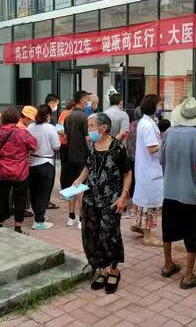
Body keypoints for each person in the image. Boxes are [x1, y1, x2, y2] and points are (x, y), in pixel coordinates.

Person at [73, 113, 131, 294]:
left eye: (91, 125)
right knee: (92, 235)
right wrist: (79, 179)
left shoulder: (117, 148)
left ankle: (114, 270)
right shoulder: (91, 145)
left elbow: (127, 173)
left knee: (110, 236)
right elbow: (88, 166)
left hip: (111, 200)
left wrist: (123, 197)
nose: (89, 129)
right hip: (90, 199)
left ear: (103, 127)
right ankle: (102, 269)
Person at [160, 98, 196, 289]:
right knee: (192, 233)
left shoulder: (168, 133)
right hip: (190, 193)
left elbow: (161, 160)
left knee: (168, 229)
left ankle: (168, 265)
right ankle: (188, 276)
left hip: (169, 190)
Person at [0, 107, 37, 234]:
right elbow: (34, 146)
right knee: (20, 199)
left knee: (1, 198)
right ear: (17, 118)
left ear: (3, 118)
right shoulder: (23, 133)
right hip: (20, 172)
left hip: (1, 171)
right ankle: (18, 227)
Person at [132, 94, 164, 247]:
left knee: (144, 201)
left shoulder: (146, 122)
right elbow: (152, 149)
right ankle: (148, 237)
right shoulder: (148, 125)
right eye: (159, 104)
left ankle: (141, 226)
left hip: (146, 169)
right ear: (153, 106)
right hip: (150, 170)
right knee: (149, 204)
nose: (161, 107)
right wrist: (165, 141)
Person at [28, 105, 60, 230]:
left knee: (34, 192)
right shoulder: (50, 128)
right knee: (44, 193)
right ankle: (39, 220)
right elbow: (56, 146)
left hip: (32, 162)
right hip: (46, 163)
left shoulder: (30, 127)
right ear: (48, 115)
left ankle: (38, 215)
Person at [63, 91, 90, 229]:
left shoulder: (68, 116)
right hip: (82, 156)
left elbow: (66, 136)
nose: (88, 102)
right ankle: (81, 218)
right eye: (87, 99)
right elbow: (87, 138)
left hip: (70, 155)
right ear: (82, 100)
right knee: (81, 187)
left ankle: (71, 217)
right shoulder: (84, 116)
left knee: (72, 186)